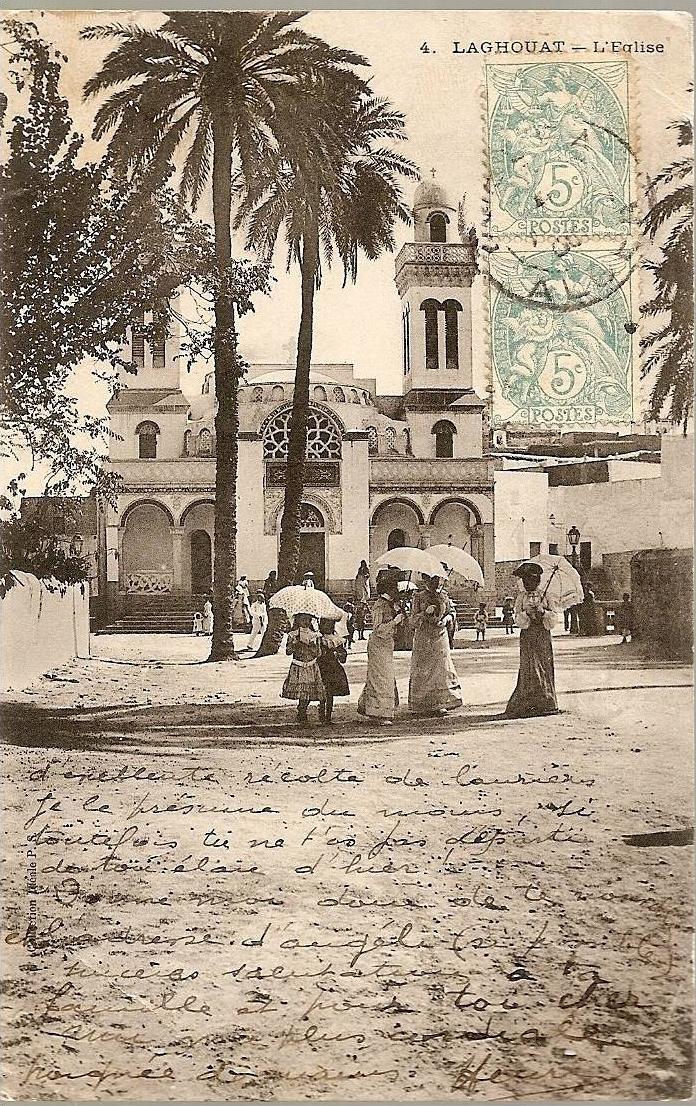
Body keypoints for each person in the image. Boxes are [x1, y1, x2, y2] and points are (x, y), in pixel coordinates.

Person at [505, 563, 558, 719]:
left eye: (532, 581)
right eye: (526, 581)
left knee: (543, 666)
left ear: (538, 581)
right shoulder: (521, 597)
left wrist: (543, 613)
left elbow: (554, 617)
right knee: (529, 667)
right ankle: (528, 702)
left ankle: (545, 701)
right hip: (528, 635)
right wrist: (527, 614)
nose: (529, 584)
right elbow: (517, 617)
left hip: (542, 635)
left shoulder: (546, 596)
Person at [408, 574, 462, 716]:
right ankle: (423, 703)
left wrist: (446, 620)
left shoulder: (444, 596)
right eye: (432, 580)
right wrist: (425, 613)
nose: (435, 583)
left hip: (440, 636)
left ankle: (441, 702)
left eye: (437, 580)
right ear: (425, 580)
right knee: (424, 668)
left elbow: (452, 613)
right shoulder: (418, 597)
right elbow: (412, 621)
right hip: (424, 637)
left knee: (441, 667)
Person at [358, 569, 404, 725]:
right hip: (378, 645)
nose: (397, 590)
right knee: (381, 677)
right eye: (395, 588)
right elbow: (378, 629)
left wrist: (399, 615)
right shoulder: (379, 606)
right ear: (389, 589)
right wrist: (395, 621)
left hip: (387, 644)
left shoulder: (391, 604)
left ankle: (377, 710)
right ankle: (379, 713)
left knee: (385, 676)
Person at [282, 614, 325, 724]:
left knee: (309, 690)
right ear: (298, 621)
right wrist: (295, 644)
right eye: (303, 619)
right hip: (299, 665)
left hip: (311, 665)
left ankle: (303, 709)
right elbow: (288, 651)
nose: (306, 622)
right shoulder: (292, 635)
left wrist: (311, 646)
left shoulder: (315, 635)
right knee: (302, 691)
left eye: (308, 619)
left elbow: (318, 653)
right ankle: (302, 711)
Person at [317, 617, 350, 725]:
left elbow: (343, 656)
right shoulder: (318, 638)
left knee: (330, 692)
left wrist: (339, 653)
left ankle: (328, 715)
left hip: (333, 667)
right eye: (326, 624)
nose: (328, 626)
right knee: (323, 692)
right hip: (322, 666)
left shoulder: (337, 638)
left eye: (330, 624)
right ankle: (321, 713)